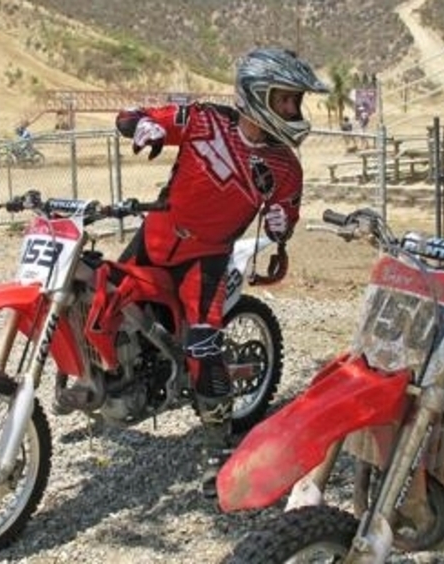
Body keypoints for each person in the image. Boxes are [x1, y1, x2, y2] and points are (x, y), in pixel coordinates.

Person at [114, 47, 329, 498]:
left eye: (295, 101)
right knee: (109, 304)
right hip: (155, 237)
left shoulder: (285, 167)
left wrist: (281, 224)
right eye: (286, 99)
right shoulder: (204, 120)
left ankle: (216, 447)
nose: (293, 109)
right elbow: (130, 114)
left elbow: (285, 214)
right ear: (257, 95)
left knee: (204, 344)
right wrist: (142, 125)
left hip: (208, 259)